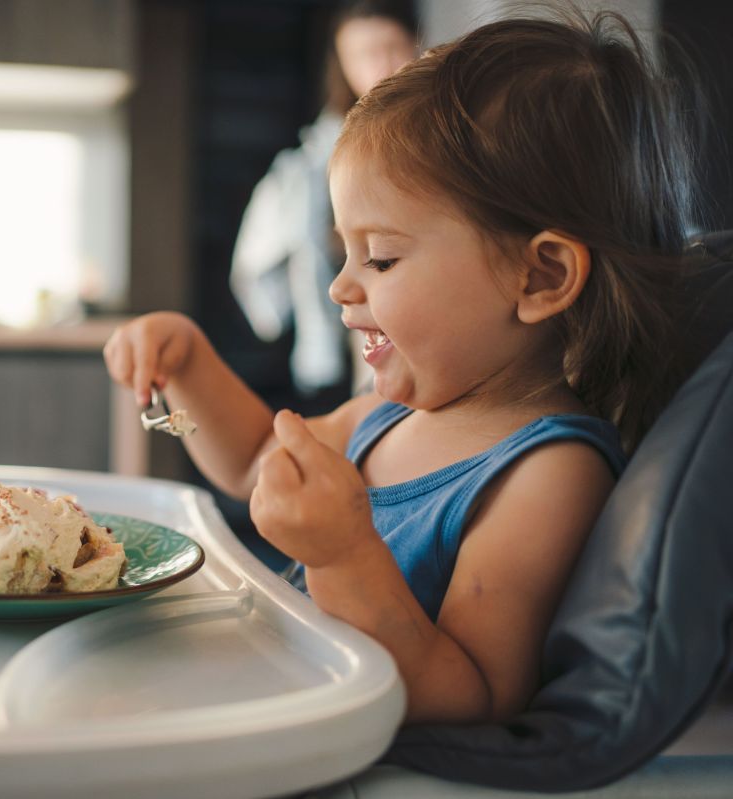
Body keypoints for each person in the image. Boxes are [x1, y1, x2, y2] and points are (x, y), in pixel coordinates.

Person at [104, 8, 696, 725]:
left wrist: (344, 556)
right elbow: (254, 462)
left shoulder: (547, 475)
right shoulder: (386, 418)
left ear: (540, 277)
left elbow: (472, 692)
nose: (341, 287)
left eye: (380, 257)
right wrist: (185, 372)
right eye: (343, 251)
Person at [230, 0, 419, 404]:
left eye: (391, 47)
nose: (380, 67)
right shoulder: (317, 156)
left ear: (416, 44)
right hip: (342, 342)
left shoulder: (440, 137)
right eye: (362, 55)